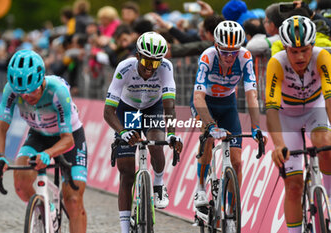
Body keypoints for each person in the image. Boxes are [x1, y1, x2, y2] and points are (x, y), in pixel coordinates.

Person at [0, 50, 87, 233]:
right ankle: (44, 208)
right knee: (20, 183)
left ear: (42, 79)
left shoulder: (57, 90)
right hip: (38, 134)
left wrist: (48, 154)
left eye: (32, 90)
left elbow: (68, 140)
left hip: (68, 137)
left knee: (73, 200)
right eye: (21, 93)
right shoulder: (10, 90)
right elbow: (1, 127)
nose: (26, 97)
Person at [103, 31, 183, 233]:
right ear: (138, 55)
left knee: (157, 143)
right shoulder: (124, 68)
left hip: (152, 107)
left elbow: (170, 107)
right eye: (147, 61)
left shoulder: (166, 67)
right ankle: (124, 228)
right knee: (127, 172)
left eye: (155, 63)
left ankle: (158, 183)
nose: (150, 68)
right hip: (128, 109)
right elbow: (108, 111)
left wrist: (171, 133)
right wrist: (122, 133)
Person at [191, 20, 267, 210]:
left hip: (228, 105)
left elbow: (252, 94)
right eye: (225, 51)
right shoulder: (207, 57)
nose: (230, 56)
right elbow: (198, 97)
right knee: (208, 139)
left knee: (237, 162)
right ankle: (200, 188)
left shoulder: (245, 57)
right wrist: (209, 125)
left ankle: (231, 212)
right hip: (205, 104)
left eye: (234, 51)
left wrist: (256, 127)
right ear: (216, 46)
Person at [266, 15, 331, 233]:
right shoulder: (276, 63)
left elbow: (330, 100)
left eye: (305, 49)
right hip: (287, 118)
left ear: (312, 45)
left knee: (325, 143)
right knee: (293, 186)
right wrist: (277, 145)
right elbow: (272, 109)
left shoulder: (322, 57)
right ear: (285, 48)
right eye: (293, 51)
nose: (300, 56)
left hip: (316, 110)